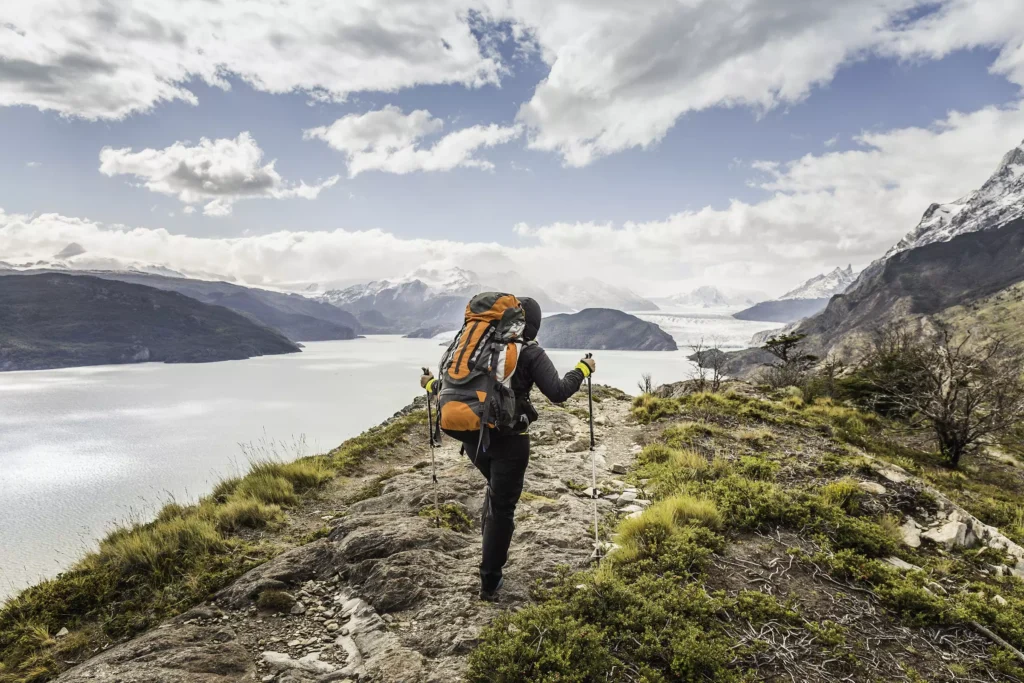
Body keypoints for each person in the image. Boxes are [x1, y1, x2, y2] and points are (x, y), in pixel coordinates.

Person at [420, 297, 597, 601]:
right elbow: (558, 392)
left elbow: (458, 388)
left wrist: (429, 385)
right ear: (533, 325)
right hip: (510, 439)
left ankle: (489, 548)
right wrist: (583, 368)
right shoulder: (528, 352)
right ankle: (490, 582)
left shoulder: (478, 349)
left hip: (473, 437)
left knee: (495, 492)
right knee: (503, 507)